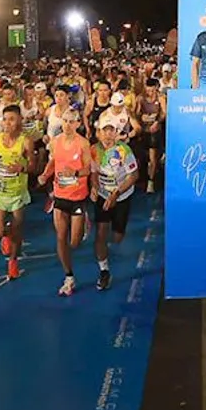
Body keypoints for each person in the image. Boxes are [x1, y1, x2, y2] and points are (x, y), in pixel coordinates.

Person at [39, 111, 96, 295]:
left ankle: (84, 221)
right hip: (60, 195)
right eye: (65, 121)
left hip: (78, 196)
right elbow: (53, 161)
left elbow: (88, 169)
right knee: (61, 236)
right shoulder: (55, 142)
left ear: (78, 123)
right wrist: (45, 175)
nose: (68, 124)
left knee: (75, 242)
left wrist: (76, 173)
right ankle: (69, 276)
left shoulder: (83, 144)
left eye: (72, 121)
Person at [0, 104, 36, 280]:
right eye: (5, 119)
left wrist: (22, 167)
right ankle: (5, 235)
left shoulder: (26, 141)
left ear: (19, 120)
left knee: (17, 229)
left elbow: (33, 165)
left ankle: (13, 262)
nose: (7, 123)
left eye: (12, 119)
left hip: (17, 192)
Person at [92, 119, 139, 289]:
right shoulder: (94, 150)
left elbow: (133, 176)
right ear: (99, 133)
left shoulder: (124, 151)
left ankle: (114, 237)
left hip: (122, 197)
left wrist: (116, 194)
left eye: (111, 130)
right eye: (104, 130)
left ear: (116, 133)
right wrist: (94, 187)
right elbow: (93, 172)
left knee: (117, 237)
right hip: (103, 196)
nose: (107, 134)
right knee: (101, 234)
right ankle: (104, 271)